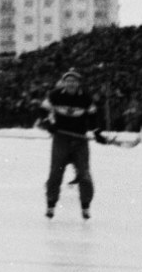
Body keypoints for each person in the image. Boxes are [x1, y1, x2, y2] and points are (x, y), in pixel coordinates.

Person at [39, 69, 109, 220]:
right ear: (64, 83)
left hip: (80, 141)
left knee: (84, 174)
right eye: (68, 81)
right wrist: (48, 123)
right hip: (61, 140)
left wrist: (97, 132)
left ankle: (85, 206)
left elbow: (93, 117)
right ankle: (51, 204)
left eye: (74, 81)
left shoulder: (85, 98)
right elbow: (43, 110)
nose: (71, 84)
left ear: (78, 83)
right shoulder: (55, 95)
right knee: (55, 173)